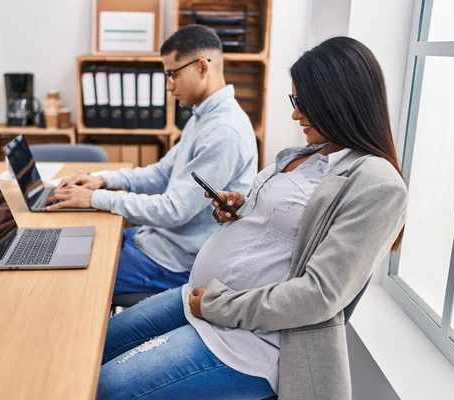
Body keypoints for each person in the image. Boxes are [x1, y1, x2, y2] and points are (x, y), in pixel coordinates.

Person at [96, 36, 408, 399]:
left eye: (305, 103)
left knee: (108, 388)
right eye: (295, 102)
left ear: (340, 100)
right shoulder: (309, 152)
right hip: (201, 298)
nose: (295, 114)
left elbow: (319, 295)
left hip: (247, 340)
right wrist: (244, 208)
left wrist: (216, 305)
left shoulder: (377, 184)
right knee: (95, 345)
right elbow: (290, 227)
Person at [46, 25, 258, 296]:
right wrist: (104, 179)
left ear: (203, 67)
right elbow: (161, 173)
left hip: (172, 263)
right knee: (64, 247)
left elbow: (173, 210)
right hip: (152, 240)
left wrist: (94, 198)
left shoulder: (223, 131)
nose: (169, 85)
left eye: (173, 74)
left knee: (64, 281)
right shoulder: (204, 117)